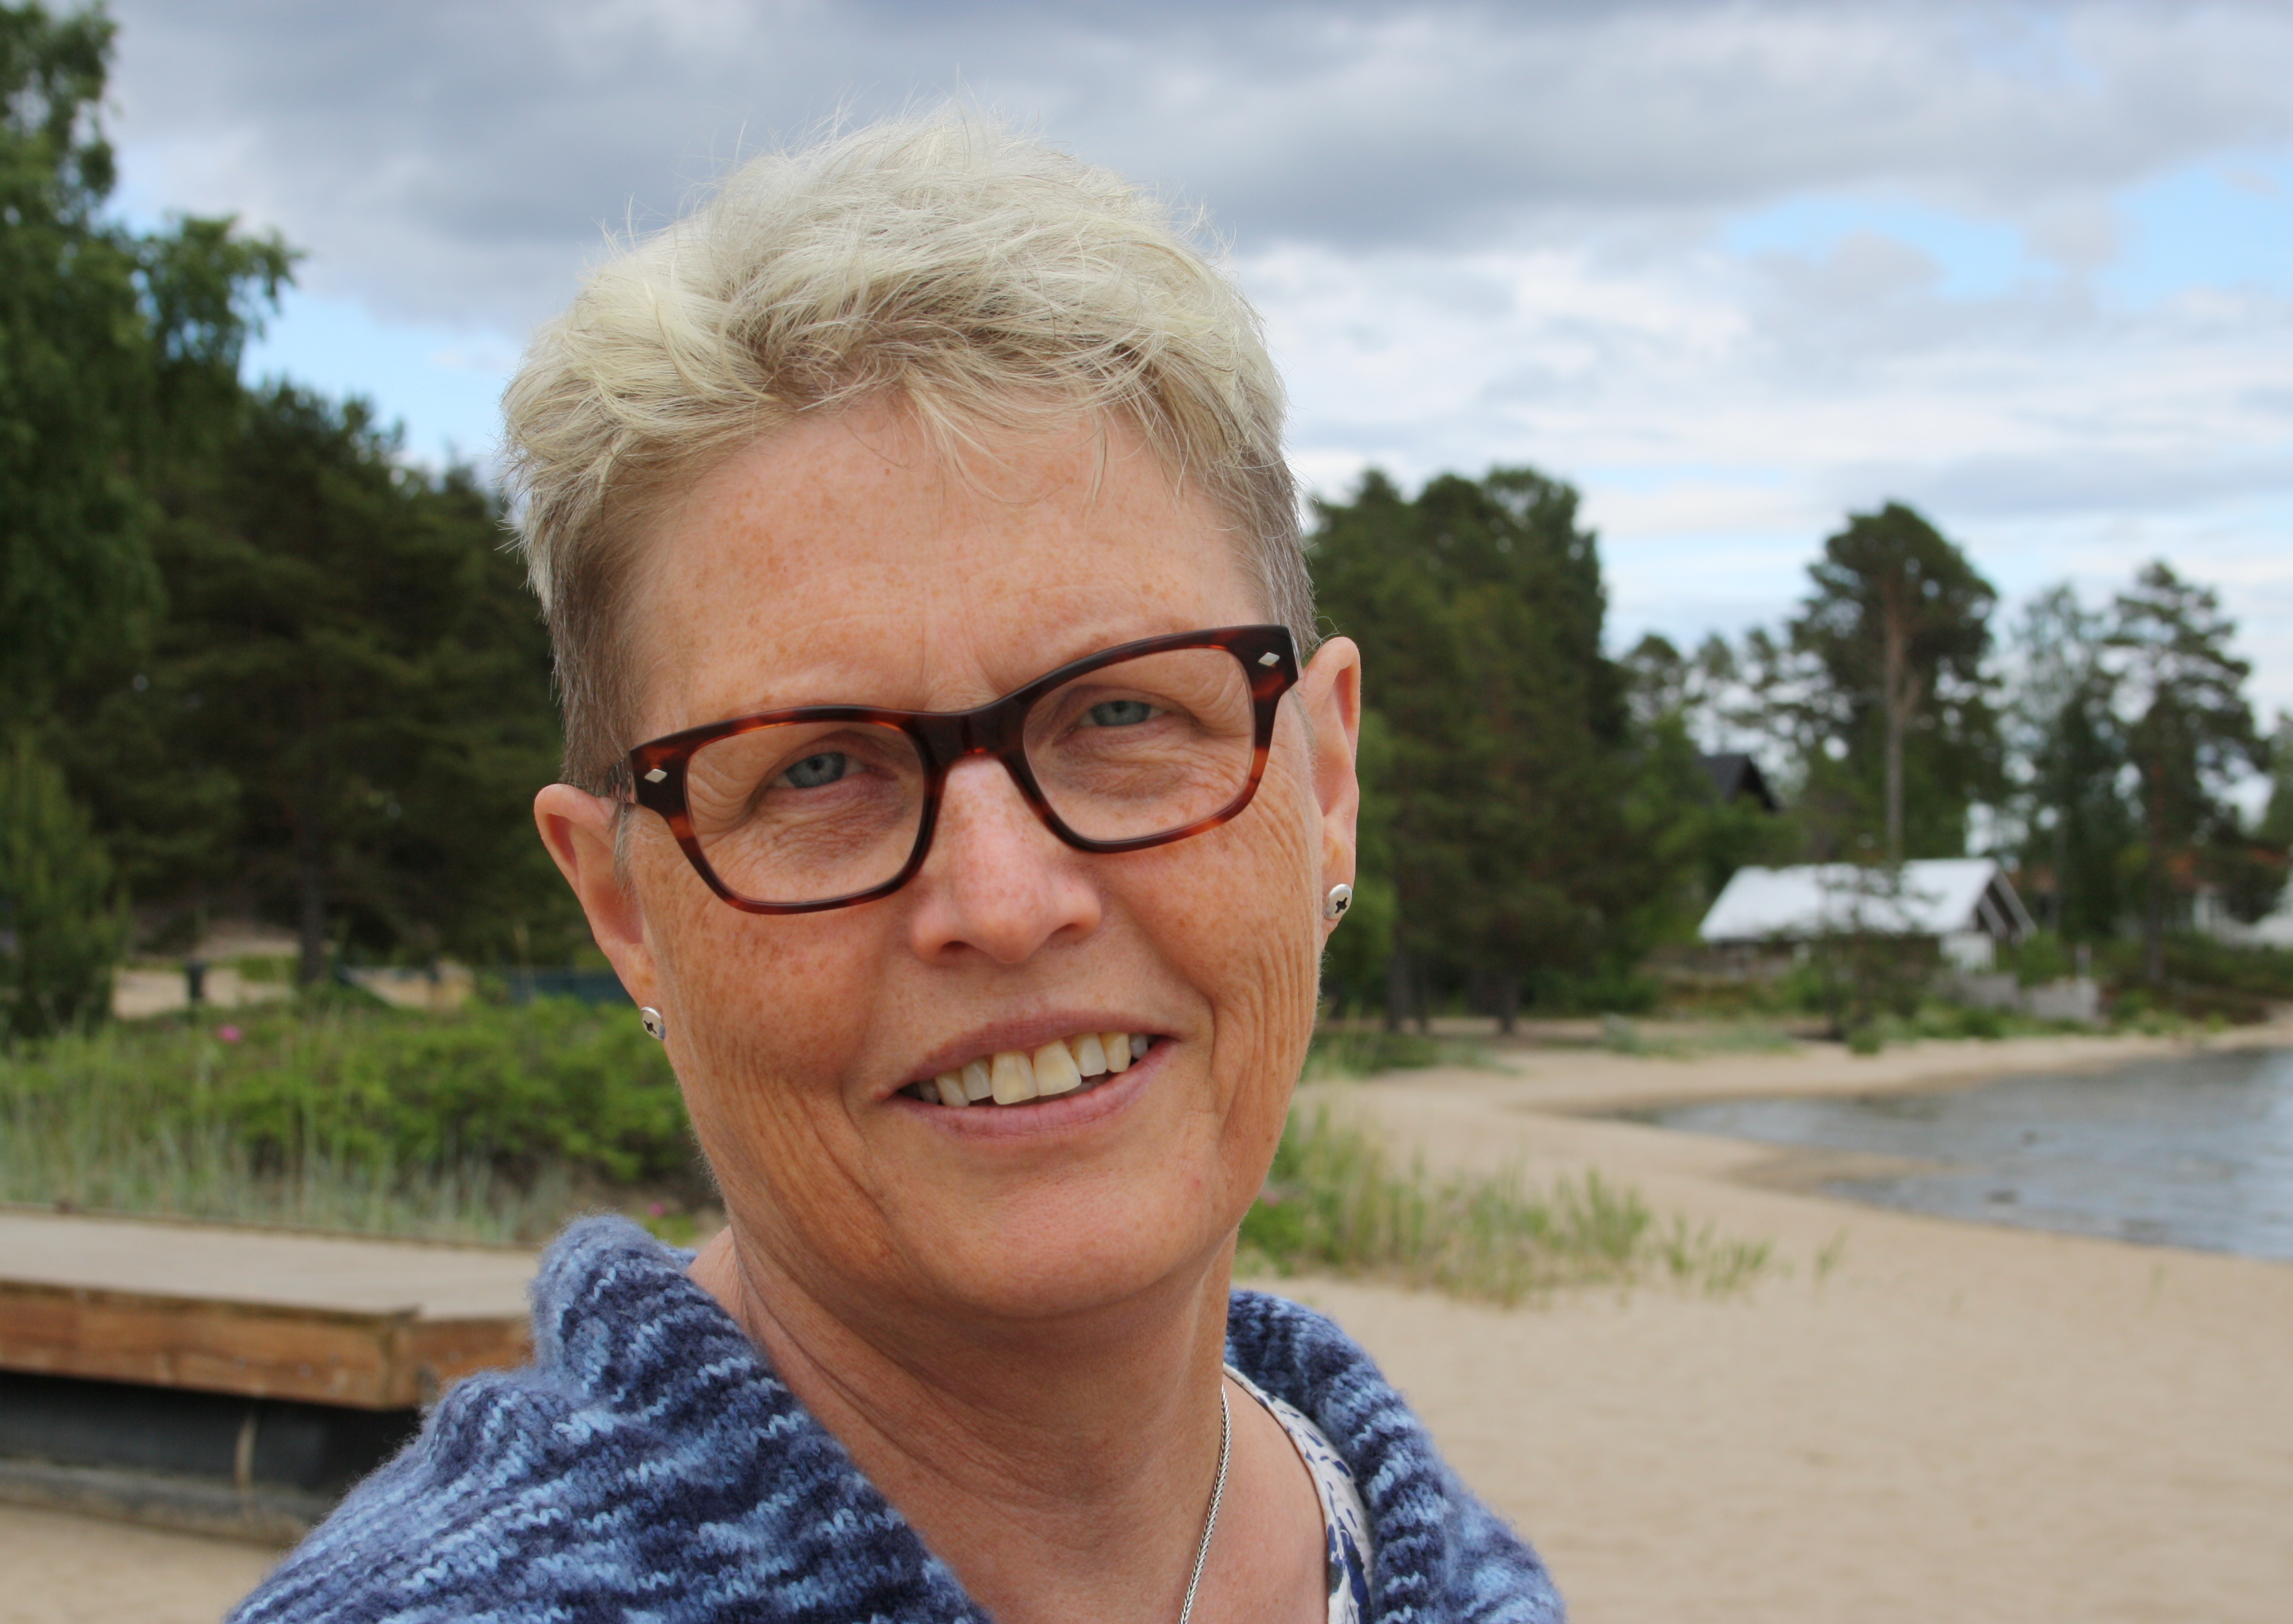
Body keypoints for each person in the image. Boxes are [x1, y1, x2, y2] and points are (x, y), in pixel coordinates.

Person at [229, 118, 1562, 1624]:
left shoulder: (1443, 1575)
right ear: (622, 907)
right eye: (816, 769)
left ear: (1325, 783)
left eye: (1122, 714)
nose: (1006, 904)